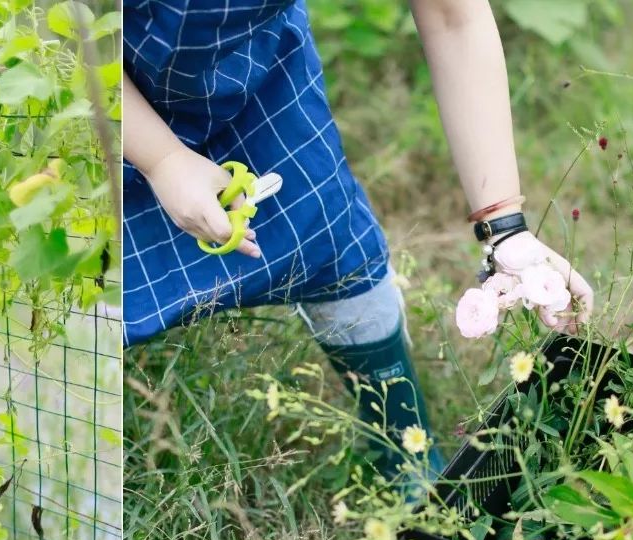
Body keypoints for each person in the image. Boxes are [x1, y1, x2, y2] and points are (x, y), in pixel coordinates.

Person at [122, 0, 594, 482]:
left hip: (251, 70)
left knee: (336, 246)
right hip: (99, 86)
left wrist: (505, 228)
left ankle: (407, 462)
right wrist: (161, 160)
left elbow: (454, 16)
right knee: (97, 296)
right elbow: (63, 33)